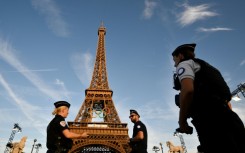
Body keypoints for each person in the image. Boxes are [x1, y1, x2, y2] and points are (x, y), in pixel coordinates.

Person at [172, 43, 245, 153]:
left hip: (209, 121)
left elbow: (187, 91)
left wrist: (182, 123)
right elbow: (227, 100)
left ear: (181, 56)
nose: (174, 65)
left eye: (175, 60)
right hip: (230, 118)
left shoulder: (184, 64)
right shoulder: (210, 69)